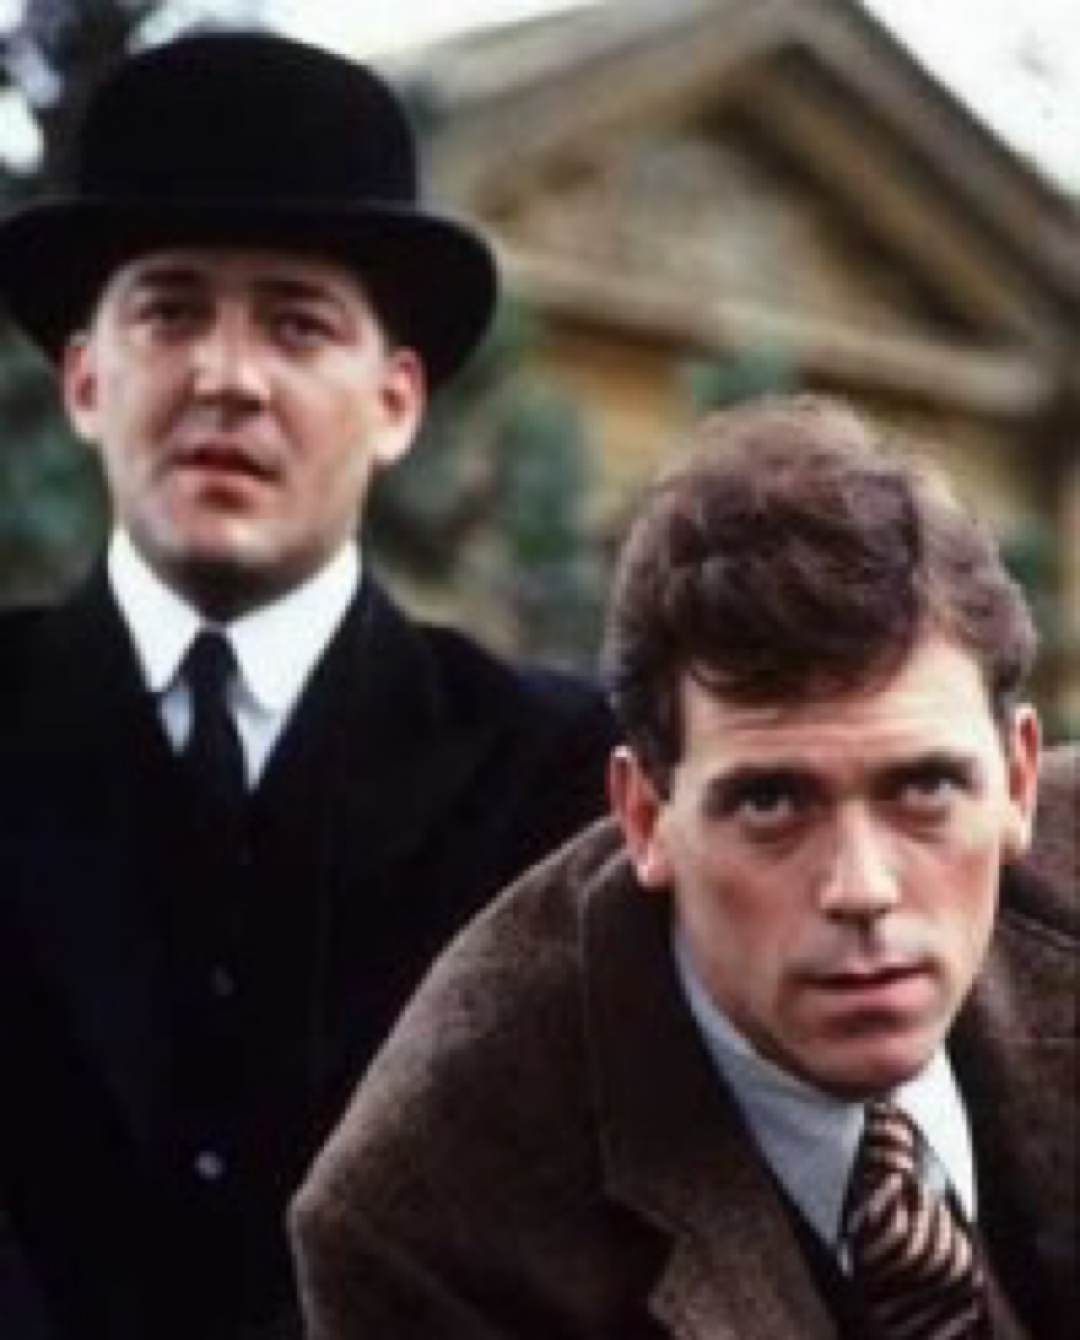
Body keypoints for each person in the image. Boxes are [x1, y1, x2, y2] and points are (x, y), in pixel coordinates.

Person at [0, 29, 615, 1340]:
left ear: (396, 403)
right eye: (171, 311)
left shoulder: (556, 782)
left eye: (297, 322)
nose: (229, 377)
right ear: (85, 377)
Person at [291, 396, 1078, 1339]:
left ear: (1018, 781)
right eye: (771, 803)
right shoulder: (431, 1221)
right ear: (645, 818)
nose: (863, 888)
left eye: (925, 788)